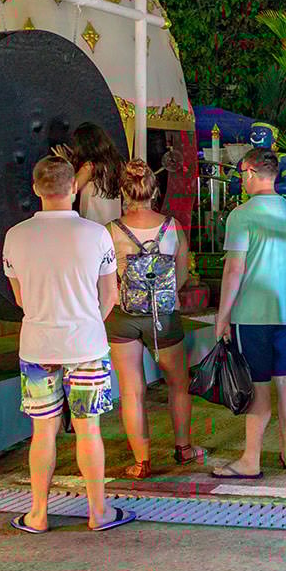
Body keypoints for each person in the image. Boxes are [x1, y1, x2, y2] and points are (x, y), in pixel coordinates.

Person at [3, 155, 134, 533]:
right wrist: (88, 319)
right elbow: (109, 294)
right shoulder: (96, 235)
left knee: (42, 431)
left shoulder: (16, 236)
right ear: (73, 188)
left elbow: (20, 298)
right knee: (88, 428)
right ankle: (98, 512)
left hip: (37, 345)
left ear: (36, 189)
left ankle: (39, 514)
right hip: (87, 344)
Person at [105, 160, 205, 478]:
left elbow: (106, 278)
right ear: (155, 190)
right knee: (178, 383)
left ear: (123, 191)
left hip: (124, 317)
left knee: (133, 391)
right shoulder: (171, 227)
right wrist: (167, 293)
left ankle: (141, 461)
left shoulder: (111, 231)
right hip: (163, 315)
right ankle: (184, 448)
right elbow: (184, 268)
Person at [212, 149, 286, 479]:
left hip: (252, 313)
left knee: (258, 384)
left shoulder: (242, 215)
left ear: (251, 173)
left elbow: (234, 269)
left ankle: (251, 459)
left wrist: (222, 316)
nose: (242, 180)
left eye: (242, 174)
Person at [59, 122, 125, 226]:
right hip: (113, 223)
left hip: (93, 224)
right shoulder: (117, 163)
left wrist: (64, 163)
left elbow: (70, 189)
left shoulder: (90, 167)